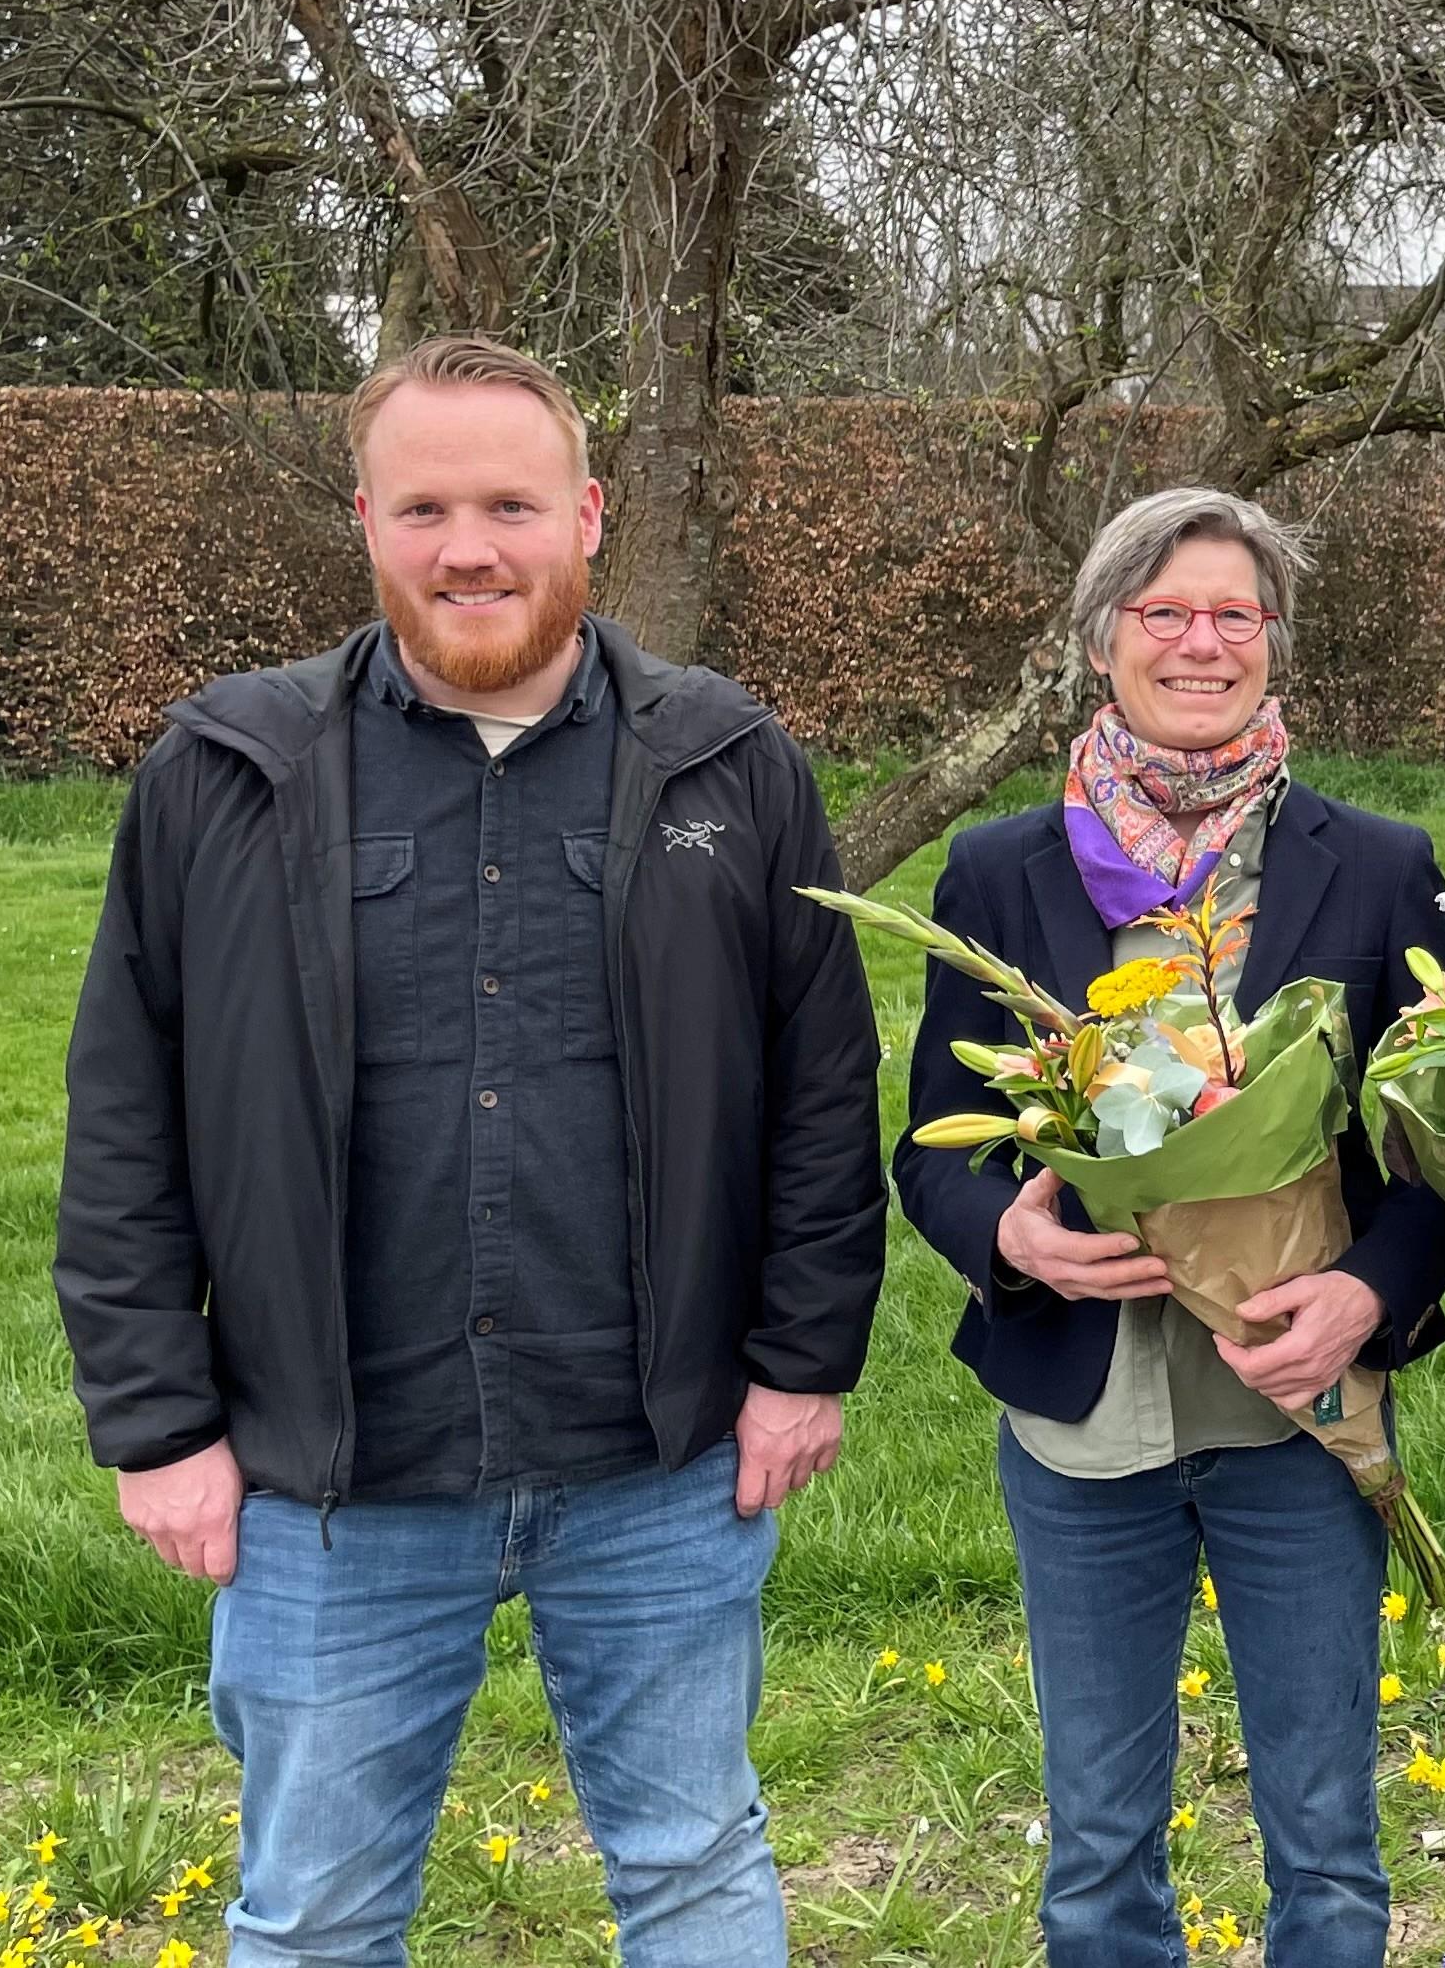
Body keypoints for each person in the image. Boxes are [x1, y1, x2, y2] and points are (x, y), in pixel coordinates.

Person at [55, 334, 886, 1966]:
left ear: (586, 514)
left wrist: (803, 1363)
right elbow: (126, 1117)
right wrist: (157, 1422)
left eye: (510, 502)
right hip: (336, 1477)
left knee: (698, 1867)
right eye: (425, 505)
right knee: (315, 1915)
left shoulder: (729, 762)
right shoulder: (226, 775)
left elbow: (820, 1094)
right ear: (366, 520)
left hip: (660, 1465)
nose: (469, 548)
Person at [893, 488, 1445, 1968]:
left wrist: (1366, 1295)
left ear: (1274, 642)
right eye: (1164, 612)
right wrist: (1009, 1238)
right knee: (1096, 1846)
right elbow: (928, 1155)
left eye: (1234, 614)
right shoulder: (997, 875)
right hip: (1087, 1422)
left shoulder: (1383, 865)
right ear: (1103, 642)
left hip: (1302, 1414)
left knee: (1329, 1841)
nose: (1200, 642)